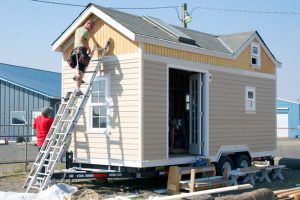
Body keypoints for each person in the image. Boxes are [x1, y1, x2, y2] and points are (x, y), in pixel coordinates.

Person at [70, 19, 95, 96]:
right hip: (81, 51)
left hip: (74, 52)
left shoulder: (78, 29)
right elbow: (81, 39)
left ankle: (77, 77)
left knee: (80, 69)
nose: (91, 29)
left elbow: (79, 38)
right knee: (81, 71)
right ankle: (77, 89)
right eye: (91, 27)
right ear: (88, 24)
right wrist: (88, 48)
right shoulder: (85, 31)